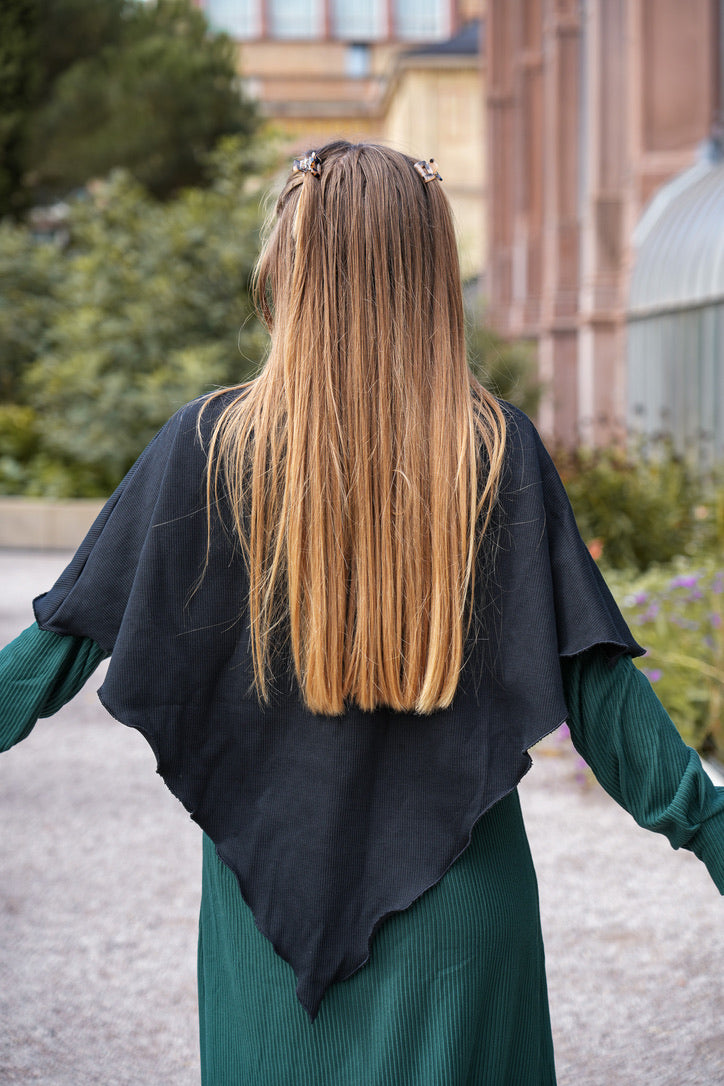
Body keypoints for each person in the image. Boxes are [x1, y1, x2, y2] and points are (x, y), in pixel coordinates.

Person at [1, 140, 722, 1085]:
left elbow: (56, 648)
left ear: (291, 269)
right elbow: (598, 687)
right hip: (462, 920)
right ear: (431, 274)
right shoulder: (495, 453)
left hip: (262, 929)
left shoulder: (207, 449)